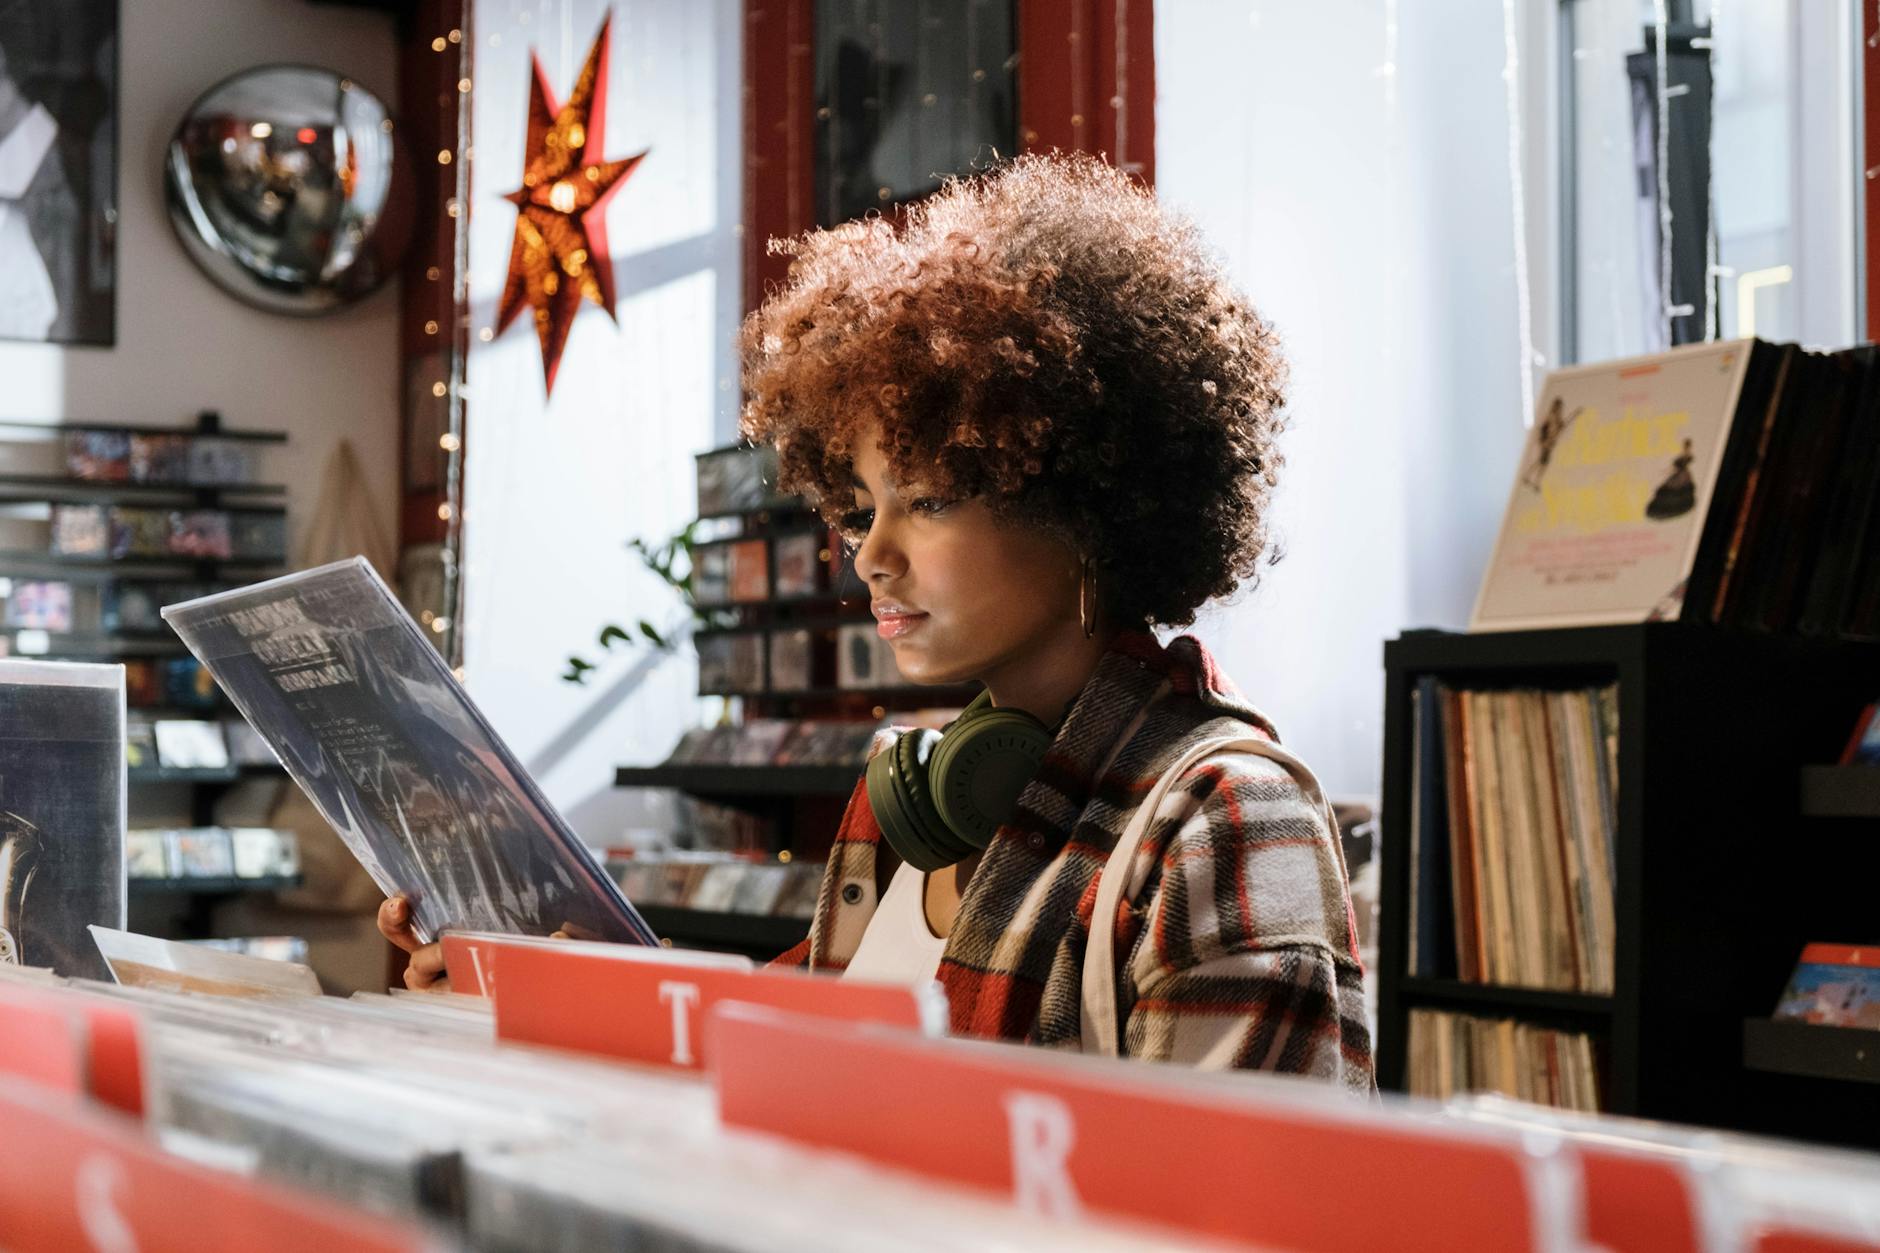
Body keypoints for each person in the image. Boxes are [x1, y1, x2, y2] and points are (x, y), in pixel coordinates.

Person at [384, 153, 1373, 1089]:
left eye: (930, 499)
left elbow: (1229, 1206)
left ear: (1083, 508)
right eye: (860, 507)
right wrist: (531, 984)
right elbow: (766, 1052)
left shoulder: (1223, 819)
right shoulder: (906, 806)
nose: (869, 553)